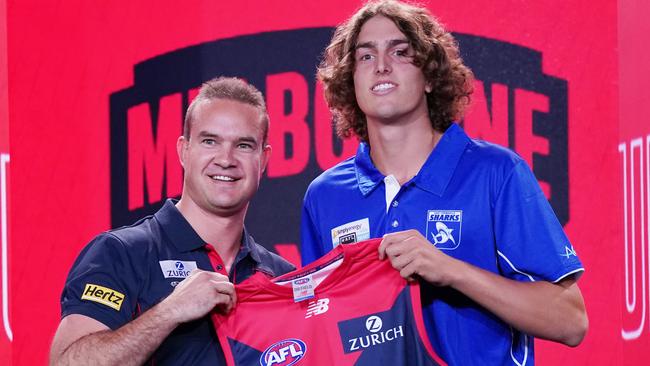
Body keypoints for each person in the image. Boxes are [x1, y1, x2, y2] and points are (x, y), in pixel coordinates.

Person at [300, 1, 588, 365]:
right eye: (365, 57)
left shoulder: (494, 172)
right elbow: (318, 333)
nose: (382, 66)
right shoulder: (325, 196)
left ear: (431, 76)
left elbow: (571, 321)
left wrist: (451, 270)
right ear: (350, 80)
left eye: (401, 52)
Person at [49, 77, 294, 365]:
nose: (226, 159)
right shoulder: (121, 253)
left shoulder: (282, 278)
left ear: (263, 159)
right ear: (183, 151)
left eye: (243, 145)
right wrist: (170, 311)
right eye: (209, 141)